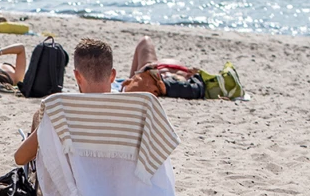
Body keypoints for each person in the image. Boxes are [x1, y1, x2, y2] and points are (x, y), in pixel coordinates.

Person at [14, 38, 115, 166]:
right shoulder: (132, 109)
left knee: (38, 115)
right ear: (113, 75)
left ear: (77, 76)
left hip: (71, 184)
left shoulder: (60, 110)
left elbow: (20, 158)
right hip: (122, 184)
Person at [121, 36, 206, 100]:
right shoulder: (188, 83)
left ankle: (132, 78)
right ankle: (133, 78)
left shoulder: (153, 81)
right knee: (145, 41)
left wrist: (142, 72)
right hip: (167, 71)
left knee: (145, 40)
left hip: (154, 70)